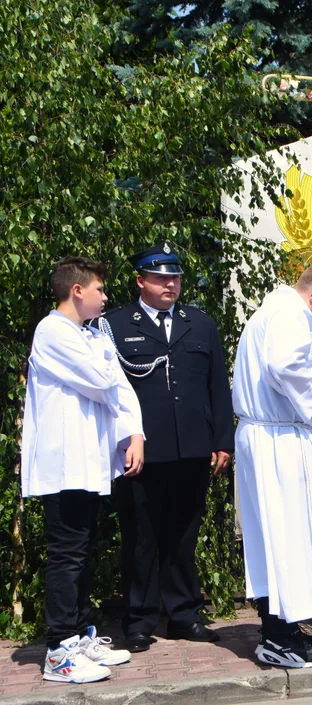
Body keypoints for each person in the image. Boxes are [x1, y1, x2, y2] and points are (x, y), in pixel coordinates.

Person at [91, 243, 232, 653]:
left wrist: (222, 440)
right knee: (141, 537)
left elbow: (216, 386)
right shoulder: (114, 324)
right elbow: (111, 393)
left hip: (192, 447)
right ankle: (139, 620)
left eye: (175, 276)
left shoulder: (199, 323)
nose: (170, 283)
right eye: (160, 277)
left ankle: (185, 615)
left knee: (184, 535)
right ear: (140, 281)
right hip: (141, 451)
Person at [232, 262, 312, 668]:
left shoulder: (273, 310)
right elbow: (283, 366)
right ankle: (276, 637)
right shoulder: (290, 313)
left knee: (286, 537)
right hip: (276, 440)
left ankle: (284, 626)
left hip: (274, 436)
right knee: (283, 537)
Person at [22, 257, 143, 683]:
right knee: (67, 554)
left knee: (83, 549)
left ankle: (78, 633)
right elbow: (101, 379)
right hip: (63, 463)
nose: (106, 297)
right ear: (77, 290)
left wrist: (134, 432)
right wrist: (108, 360)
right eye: (99, 288)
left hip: (88, 463)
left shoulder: (90, 335)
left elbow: (121, 387)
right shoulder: (53, 331)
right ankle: (59, 648)